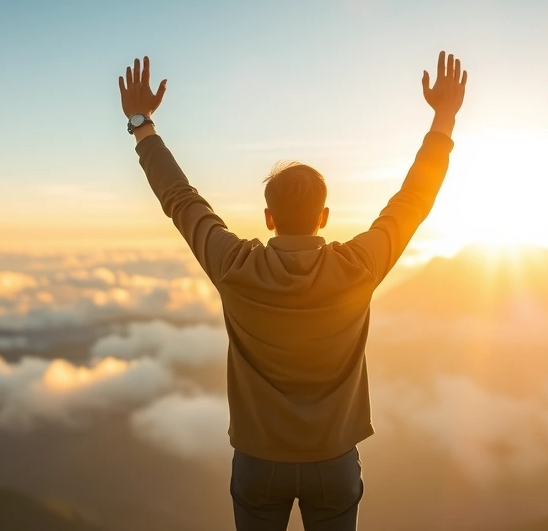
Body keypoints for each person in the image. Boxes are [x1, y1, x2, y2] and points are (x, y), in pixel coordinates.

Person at [117, 51, 467, 531]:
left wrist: (142, 124)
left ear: (268, 217)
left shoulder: (234, 265)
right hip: (334, 463)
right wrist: (443, 118)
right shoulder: (358, 268)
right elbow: (412, 201)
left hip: (258, 463)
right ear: (324, 216)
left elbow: (180, 198)